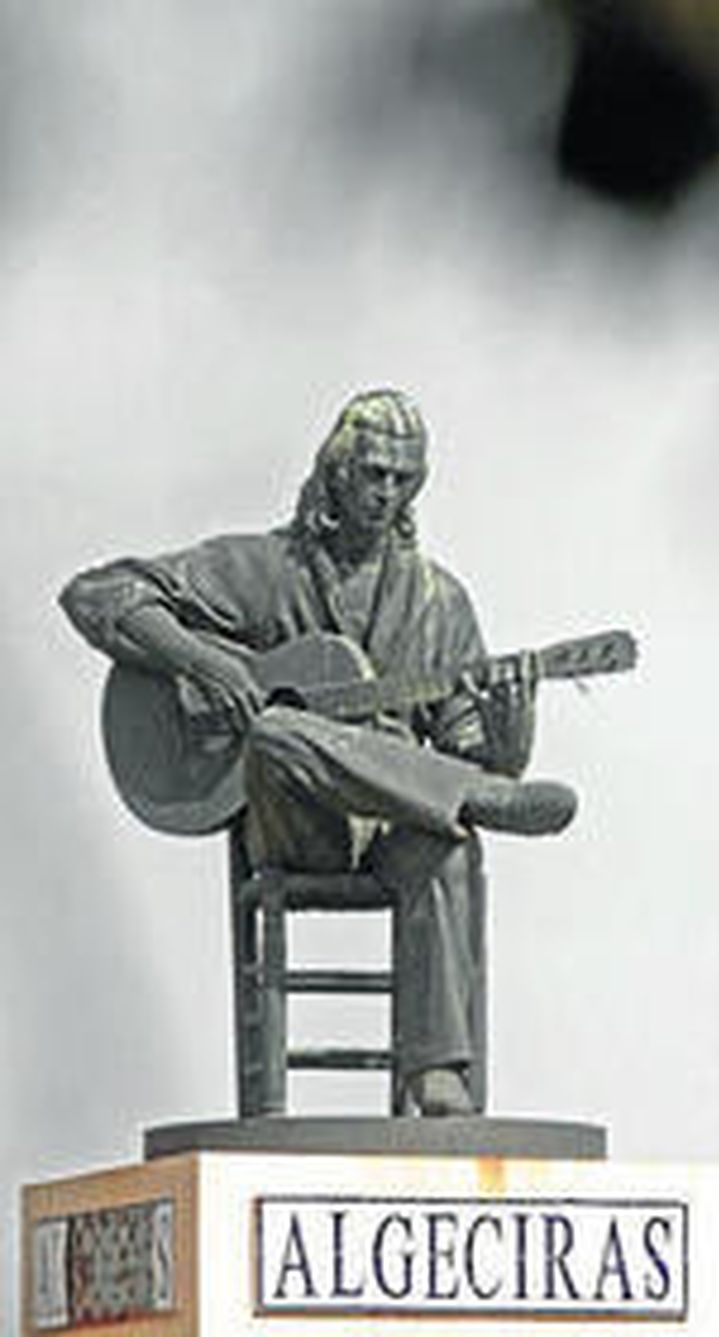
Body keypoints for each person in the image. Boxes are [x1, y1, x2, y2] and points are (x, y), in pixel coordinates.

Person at [59, 388, 576, 1117]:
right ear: (336, 472)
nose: (386, 492)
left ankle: (435, 1073)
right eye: (373, 474)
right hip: (298, 819)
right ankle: (461, 796)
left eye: (403, 479)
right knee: (276, 732)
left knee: (452, 845)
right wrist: (207, 666)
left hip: (392, 826)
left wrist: (510, 735)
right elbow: (95, 594)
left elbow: (472, 747)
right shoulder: (267, 568)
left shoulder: (440, 603)